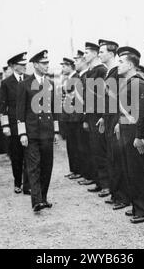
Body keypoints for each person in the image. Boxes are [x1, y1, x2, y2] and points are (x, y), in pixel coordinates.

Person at [16, 50, 60, 212]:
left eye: (48, 63)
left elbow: (55, 110)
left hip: (47, 132)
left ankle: (44, 197)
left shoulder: (51, 84)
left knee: (47, 166)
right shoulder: (24, 85)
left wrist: (56, 131)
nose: (47, 66)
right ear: (35, 65)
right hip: (32, 133)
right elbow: (19, 111)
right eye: (43, 63)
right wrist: (22, 133)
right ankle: (36, 201)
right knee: (34, 167)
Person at [116, 46, 144, 224]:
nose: (118, 65)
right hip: (127, 132)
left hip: (135, 133)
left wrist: (138, 136)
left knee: (139, 171)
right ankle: (137, 206)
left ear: (131, 65)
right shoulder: (129, 83)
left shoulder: (137, 83)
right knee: (130, 170)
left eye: (121, 62)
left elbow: (142, 112)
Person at [97, 39, 130, 209]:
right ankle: (116, 194)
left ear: (111, 53)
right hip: (109, 118)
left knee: (118, 159)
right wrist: (104, 116)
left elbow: (122, 99)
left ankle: (123, 197)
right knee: (111, 157)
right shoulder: (109, 71)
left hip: (117, 119)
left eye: (102, 51)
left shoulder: (118, 72)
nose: (99, 54)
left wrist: (119, 121)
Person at [0, 53, 31, 194]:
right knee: (16, 155)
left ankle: (28, 184)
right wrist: (5, 125)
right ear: (13, 66)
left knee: (29, 154)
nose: (24, 67)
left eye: (25, 64)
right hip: (13, 124)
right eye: (21, 64)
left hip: (28, 123)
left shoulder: (30, 79)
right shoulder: (6, 83)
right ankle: (17, 182)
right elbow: (2, 106)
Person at [83, 42, 109, 195]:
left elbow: (103, 96)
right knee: (95, 149)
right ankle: (100, 181)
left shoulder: (101, 70)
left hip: (99, 115)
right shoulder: (90, 71)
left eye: (87, 53)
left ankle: (107, 184)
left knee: (101, 149)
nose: (85, 55)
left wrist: (102, 116)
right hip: (92, 115)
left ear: (94, 54)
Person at [73, 50, 93, 186]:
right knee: (82, 147)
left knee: (87, 148)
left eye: (77, 60)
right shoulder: (80, 77)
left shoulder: (87, 76)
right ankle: (86, 174)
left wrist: (85, 117)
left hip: (85, 117)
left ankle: (90, 175)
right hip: (78, 117)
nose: (75, 63)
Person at [60, 57, 82, 180]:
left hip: (74, 117)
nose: (63, 68)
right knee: (71, 145)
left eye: (64, 66)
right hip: (68, 117)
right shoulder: (68, 79)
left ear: (70, 66)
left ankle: (77, 170)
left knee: (75, 145)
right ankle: (73, 169)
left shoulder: (75, 78)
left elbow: (74, 98)